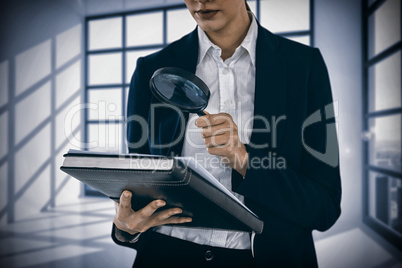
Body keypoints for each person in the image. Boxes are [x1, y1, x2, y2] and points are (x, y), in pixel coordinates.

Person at [111, 0, 342, 267]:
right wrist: (126, 228)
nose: (200, 1)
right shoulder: (151, 69)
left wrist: (245, 161)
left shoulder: (304, 66)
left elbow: (324, 207)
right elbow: (135, 192)